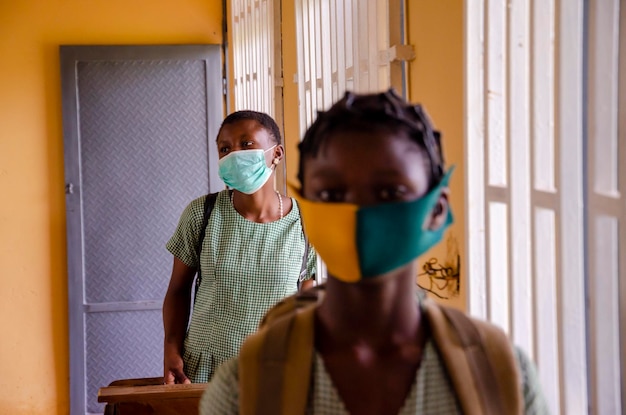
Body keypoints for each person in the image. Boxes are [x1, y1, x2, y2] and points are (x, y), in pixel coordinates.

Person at [199, 90, 549, 414]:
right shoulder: (244, 388)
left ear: (437, 209)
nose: (360, 214)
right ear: (307, 209)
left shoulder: (501, 376)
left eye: (389, 192)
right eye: (332, 195)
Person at [162, 110, 317, 384]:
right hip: (204, 371)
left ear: (277, 154)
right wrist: (171, 349)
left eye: (246, 144)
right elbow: (177, 290)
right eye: (225, 148)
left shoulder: (307, 224)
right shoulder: (203, 214)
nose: (235, 154)